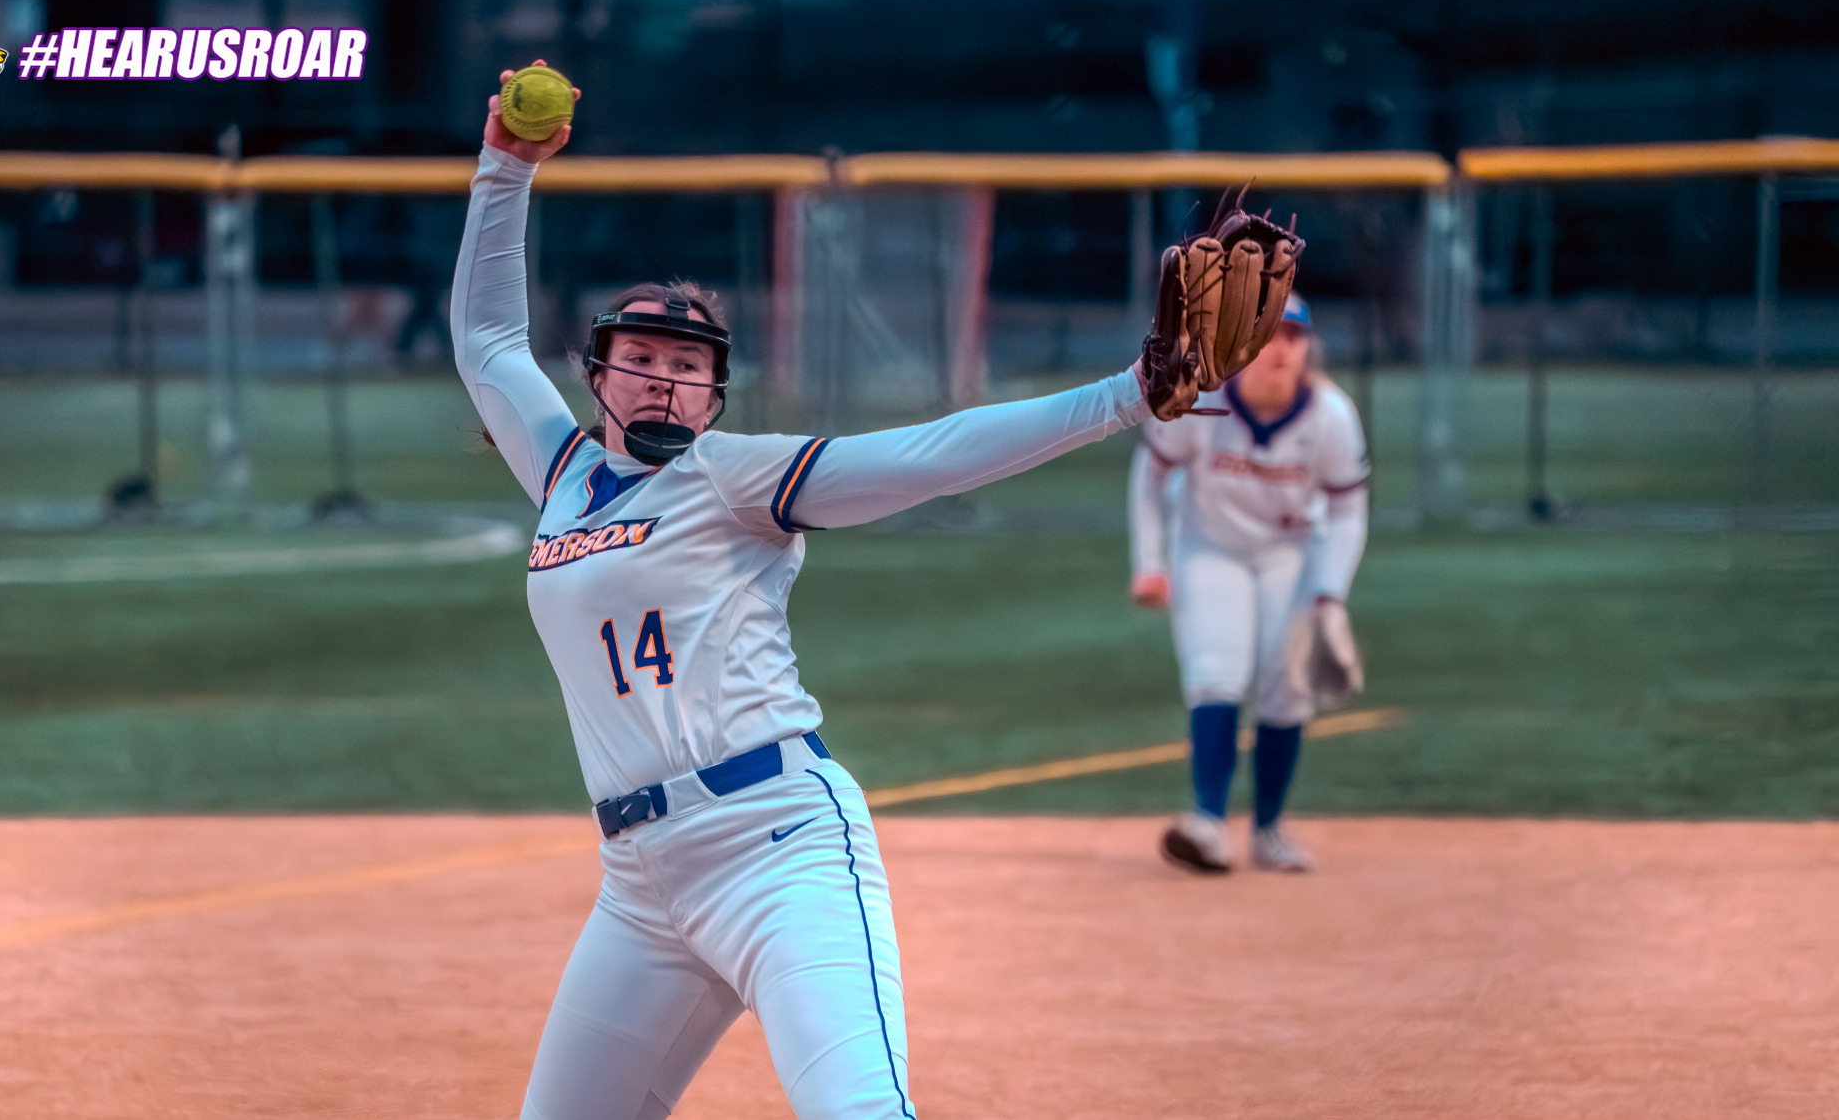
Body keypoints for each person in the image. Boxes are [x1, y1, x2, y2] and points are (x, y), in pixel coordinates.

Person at [455, 63, 1186, 1119]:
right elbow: (484, 339)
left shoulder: (733, 475)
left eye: (689, 363)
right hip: (638, 885)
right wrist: (504, 168)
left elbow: (932, 451)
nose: (663, 375)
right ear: (598, 374)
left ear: (714, 396)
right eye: (641, 355)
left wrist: (1126, 396)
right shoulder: (561, 474)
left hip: (777, 848)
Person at [1127, 295, 1369, 875]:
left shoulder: (1331, 415)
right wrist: (1149, 562)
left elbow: (1347, 512)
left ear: (1307, 347)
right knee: (1216, 673)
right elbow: (1151, 473)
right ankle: (1208, 824)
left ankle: (1269, 832)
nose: (1280, 348)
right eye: (1267, 335)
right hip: (1209, 546)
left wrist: (1330, 597)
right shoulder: (1203, 399)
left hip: (1292, 552)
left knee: (1287, 686)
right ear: (1240, 344)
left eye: (1293, 336)